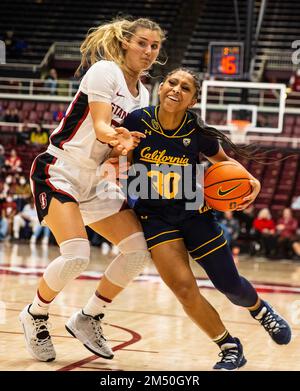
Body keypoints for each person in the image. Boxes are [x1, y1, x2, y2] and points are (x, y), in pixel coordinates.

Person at [118, 68, 290, 368]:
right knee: (184, 290)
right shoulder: (136, 121)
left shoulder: (198, 132)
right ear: (160, 87)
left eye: (185, 88)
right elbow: (123, 162)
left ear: (193, 99)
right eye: (172, 82)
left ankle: (260, 310)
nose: (176, 89)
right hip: (155, 217)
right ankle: (229, 347)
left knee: (230, 286)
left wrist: (251, 179)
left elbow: (223, 163)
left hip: (195, 214)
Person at [19, 17, 166, 364]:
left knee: (137, 251)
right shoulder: (105, 71)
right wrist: (118, 138)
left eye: (155, 46)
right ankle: (35, 314)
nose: (148, 51)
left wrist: (124, 151)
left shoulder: (142, 93)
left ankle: (88, 317)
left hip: (94, 180)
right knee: (76, 256)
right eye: (142, 43)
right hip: (60, 170)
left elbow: (114, 147)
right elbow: (101, 125)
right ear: (126, 42)